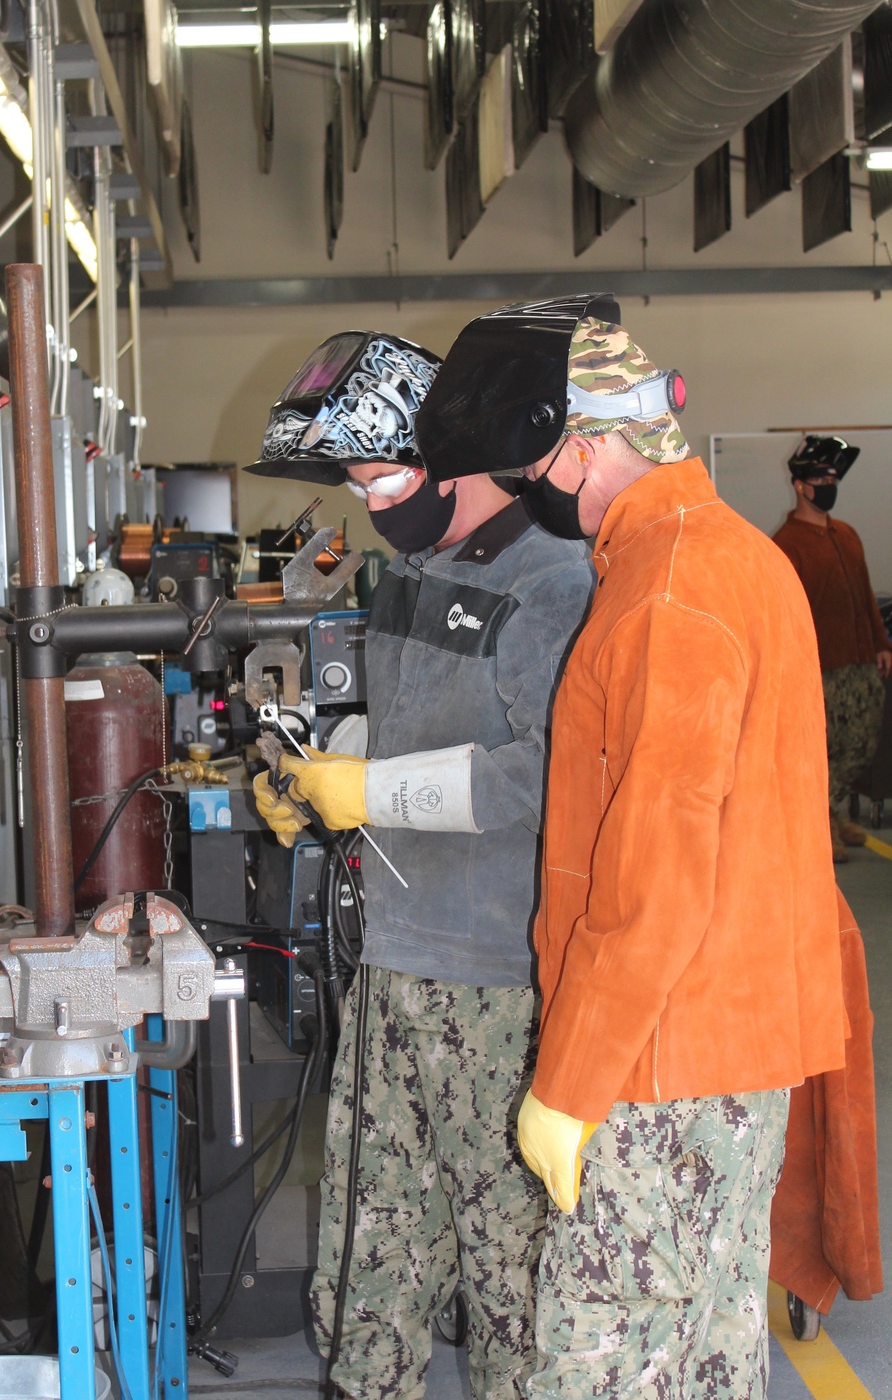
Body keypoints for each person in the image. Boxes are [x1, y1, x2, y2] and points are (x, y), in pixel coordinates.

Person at [414, 302, 849, 1399]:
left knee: (598, 1366)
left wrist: (568, 1082)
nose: (526, 492)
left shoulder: (664, 591)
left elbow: (653, 881)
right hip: (732, 1061)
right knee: (703, 1360)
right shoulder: (735, 559)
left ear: (587, 442)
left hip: (658, 1069)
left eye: (529, 468)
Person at [246, 327, 595, 1400]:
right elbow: (394, 731)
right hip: (389, 970)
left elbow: (546, 774)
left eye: (386, 474)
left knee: (510, 1281)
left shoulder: (559, 580)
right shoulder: (404, 576)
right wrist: (318, 777)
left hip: (499, 987)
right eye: (358, 484)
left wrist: (376, 794)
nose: (375, 503)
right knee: (368, 1263)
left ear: (453, 451)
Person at [771, 436, 892, 861]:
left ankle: (832, 810)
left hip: (861, 660)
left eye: (833, 478)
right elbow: (785, 612)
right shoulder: (788, 542)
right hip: (821, 668)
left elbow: (863, 593)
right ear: (801, 485)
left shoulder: (848, 535)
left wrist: (880, 644)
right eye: (821, 478)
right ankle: (822, 820)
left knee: (861, 743)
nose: (829, 484)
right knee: (826, 746)